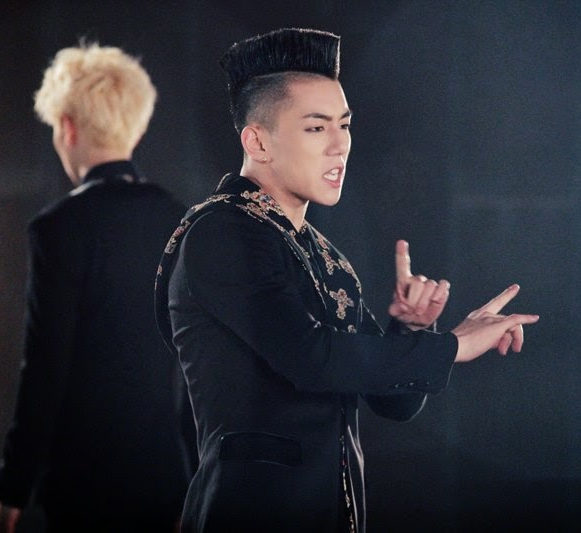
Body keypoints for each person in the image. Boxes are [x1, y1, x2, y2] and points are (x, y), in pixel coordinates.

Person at [154, 28, 539, 532]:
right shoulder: (222, 232)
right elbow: (314, 358)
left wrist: (411, 329)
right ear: (258, 141)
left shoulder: (320, 252)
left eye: (344, 125)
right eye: (316, 128)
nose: (340, 146)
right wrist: (454, 345)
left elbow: (394, 400)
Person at [0, 43, 195, 533]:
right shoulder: (182, 220)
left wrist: (10, 494)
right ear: (135, 127)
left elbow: (44, 371)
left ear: (66, 127)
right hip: (167, 476)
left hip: (82, 482)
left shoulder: (58, 228)